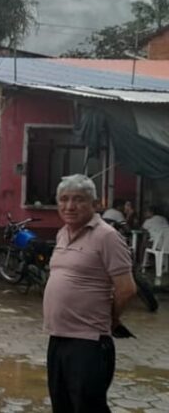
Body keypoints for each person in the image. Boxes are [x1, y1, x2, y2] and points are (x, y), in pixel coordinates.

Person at [44, 174, 137, 412]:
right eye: (64, 199)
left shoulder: (106, 236)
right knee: (62, 406)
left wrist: (112, 319)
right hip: (58, 338)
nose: (69, 206)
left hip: (89, 342)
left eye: (78, 199)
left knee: (88, 408)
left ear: (94, 204)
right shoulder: (62, 233)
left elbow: (126, 289)